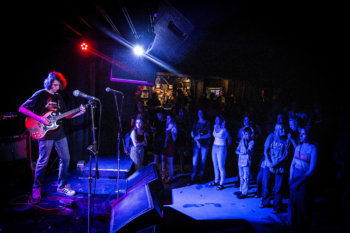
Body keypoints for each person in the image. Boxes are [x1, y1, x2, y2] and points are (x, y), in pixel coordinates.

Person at [18, 71, 86, 202]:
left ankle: (61, 186)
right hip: (45, 133)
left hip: (59, 133)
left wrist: (79, 113)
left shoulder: (59, 97)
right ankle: (36, 188)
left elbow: (65, 115)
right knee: (43, 162)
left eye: (58, 85)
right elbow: (22, 108)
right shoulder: (40, 94)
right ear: (49, 83)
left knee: (66, 159)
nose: (57, 88)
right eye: (54, 85)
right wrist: (40, 119)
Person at [288, 126, 317, 233]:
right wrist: (291, 179)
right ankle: (294, 227)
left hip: (304, 179)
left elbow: (311, 170)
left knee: (303, 207)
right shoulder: (298, 147)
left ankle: (303, 229)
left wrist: (299, 182)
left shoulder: (313, 149)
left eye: (303, 133)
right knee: (294, 205)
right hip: (295, 176)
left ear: (309, 135)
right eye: (300, 133)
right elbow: (292, 163)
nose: (300, 135)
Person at [260, 123, 293, 214]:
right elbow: (265, 151)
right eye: (281, 129)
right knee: (266, 184)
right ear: (276, 130)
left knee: (278, 188)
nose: (283, 131)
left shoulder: (287, 140)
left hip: (279, 166)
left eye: (284, 129)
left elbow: (286, 154)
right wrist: (270, 163)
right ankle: (265, 202)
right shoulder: (271, 137)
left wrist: (276, 163)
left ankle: (276, 207)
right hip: (269, 164)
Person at [189, 109, 211, 184]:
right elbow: (192, 132)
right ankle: (193, 177)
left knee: (203, 161)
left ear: (203, 114)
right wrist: (192, 134)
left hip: (205, 145)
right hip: (196, 144)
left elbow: (209, 134)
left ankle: (200, 176)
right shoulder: (195, 123)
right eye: (199, 113)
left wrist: (200, 137)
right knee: (194, 161)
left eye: (201, 112)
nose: (200, 114)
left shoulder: (207, 123)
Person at [209, 114, 231, 190]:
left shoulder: (224, 129)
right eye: (215, 119)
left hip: (221, 147)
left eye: (217, 119)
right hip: (214, 146)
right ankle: (216, 181)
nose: (216, 121)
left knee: (221, 166)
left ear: (221, 120)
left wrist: (225, 147)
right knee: (215, 165)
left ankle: (221, 183)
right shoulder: (214, 126)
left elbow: (229, 139)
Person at [234, 127, 254, 198]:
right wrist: (239, 152)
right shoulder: (242, 141)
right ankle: (241, 190)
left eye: (247, 134)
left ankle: (245, 193)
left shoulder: (251, 142)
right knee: (241, 176)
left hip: (246, 162)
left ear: (250, 134)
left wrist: (244, 141)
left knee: (246, 177)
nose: (246, 136)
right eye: (245, 134)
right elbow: (236, 150)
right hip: (240, 161)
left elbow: (247, 151)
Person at [162, 114, 177, 183]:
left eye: (170, 118)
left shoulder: (173, 127)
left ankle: (171, 178)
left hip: (171, 146)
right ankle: (169, 176)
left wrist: (172, 132)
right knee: (167, 162)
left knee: (170, 162)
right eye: (167, 118)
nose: (168, 120)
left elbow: (174, 139)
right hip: (166, 145)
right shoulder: (167, 126)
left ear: (172, 119)